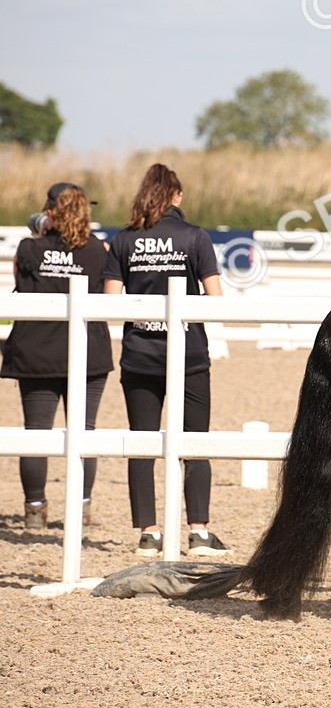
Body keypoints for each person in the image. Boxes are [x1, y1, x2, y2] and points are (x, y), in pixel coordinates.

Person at [103, 163, 229, 557]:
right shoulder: (195, 237)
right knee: (195, 440)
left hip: (140, 353)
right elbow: (215, 300)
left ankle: (149, 532)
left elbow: (107, 302)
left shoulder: (124, 240)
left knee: (142, 441)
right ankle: (199, 532)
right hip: (189, 352)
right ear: (175, 196)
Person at [2, 184, 113, 528]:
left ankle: (35, 508)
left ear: (50, 211)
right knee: (85, 431)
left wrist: (40, 236)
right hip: (87, 351)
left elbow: (20, 284)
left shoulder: (29, 247)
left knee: (36, 432)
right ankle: (82, 508)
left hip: (37, 350)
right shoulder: (100, 250)